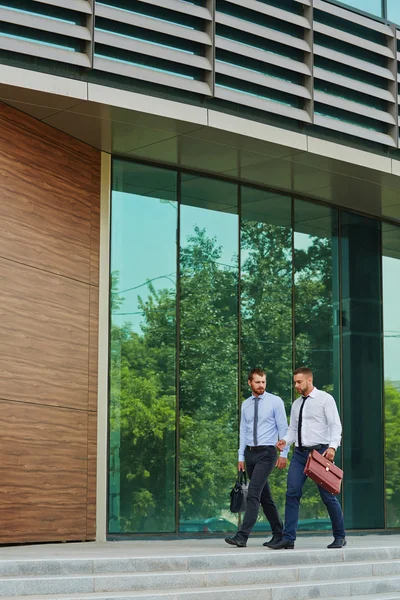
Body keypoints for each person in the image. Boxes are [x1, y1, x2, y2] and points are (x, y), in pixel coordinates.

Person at [270, 366, 346, 550]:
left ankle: (340, 536)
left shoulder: (325, 399)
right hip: (299, 454)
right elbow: (293, 430)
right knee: (292, 493)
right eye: (295, 382)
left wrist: (332, 448)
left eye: (299, 382)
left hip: (320, 454)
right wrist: (285, 441)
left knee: (327, 496)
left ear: (309, 380)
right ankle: (288, 538)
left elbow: (336, 426)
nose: (296, 385)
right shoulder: (297, 404)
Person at [225, 368, 288, 548]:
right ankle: (279, 534)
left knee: (253, 494)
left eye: (263, 382)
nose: (261, 385)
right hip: (250, 454)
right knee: (265, 497)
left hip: (267, 453)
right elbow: (243, 431)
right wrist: (240, 456)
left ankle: (242, 536)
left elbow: (284, 429)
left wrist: (283, 454)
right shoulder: (245, 404)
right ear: (249, 383)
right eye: (258, 382)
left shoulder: (275, 402)